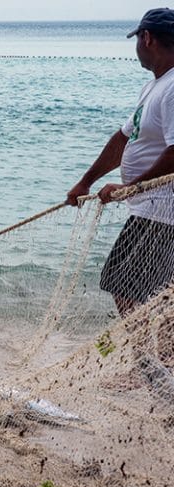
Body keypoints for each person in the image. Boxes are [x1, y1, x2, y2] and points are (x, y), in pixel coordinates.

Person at [67, 8, 174, 317]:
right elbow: (123, 139)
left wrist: (130, 187)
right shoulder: (154, 86)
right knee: (136, 288)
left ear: (148, 38)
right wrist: (86, 181)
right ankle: (149, 355)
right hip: (148, 208)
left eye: (137, 39)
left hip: (162, 212)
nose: (137, 47)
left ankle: (148, 358)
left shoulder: (171, 88)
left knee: (126, 286)